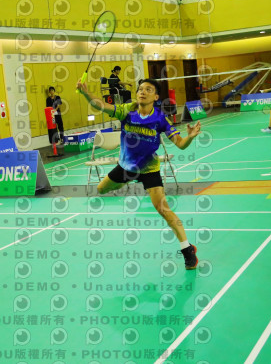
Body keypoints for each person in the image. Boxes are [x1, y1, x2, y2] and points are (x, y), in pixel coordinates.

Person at [76, 78, 202, 269]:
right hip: (126, 167)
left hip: (149, 168)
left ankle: (187, 250)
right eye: (140, 89)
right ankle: (129, 180)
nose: (143, 92)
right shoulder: (127, 110)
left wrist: (190, 137)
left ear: (156, 97)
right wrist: (86, 93)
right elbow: (100, 105)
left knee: (163, 209)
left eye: (148, 90)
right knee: (101, 189)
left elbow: (180, 144)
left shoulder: (160, 118)